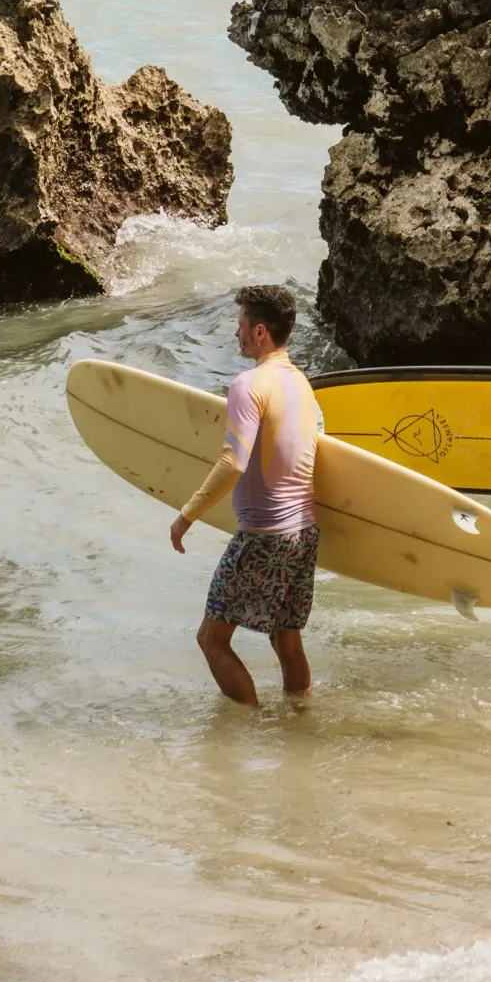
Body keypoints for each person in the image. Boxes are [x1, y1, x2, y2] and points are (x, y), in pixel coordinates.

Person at [170, 284, 324, 706]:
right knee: (286, 638)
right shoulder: (303, 386)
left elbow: (233, 462)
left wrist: (188, 514)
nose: (235, 335)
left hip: (264, 535)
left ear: (259, 332)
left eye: (240, 326)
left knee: (211, 639)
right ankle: (299, 725)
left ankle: (248, 731)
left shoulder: (248, 384)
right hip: (304, 533)